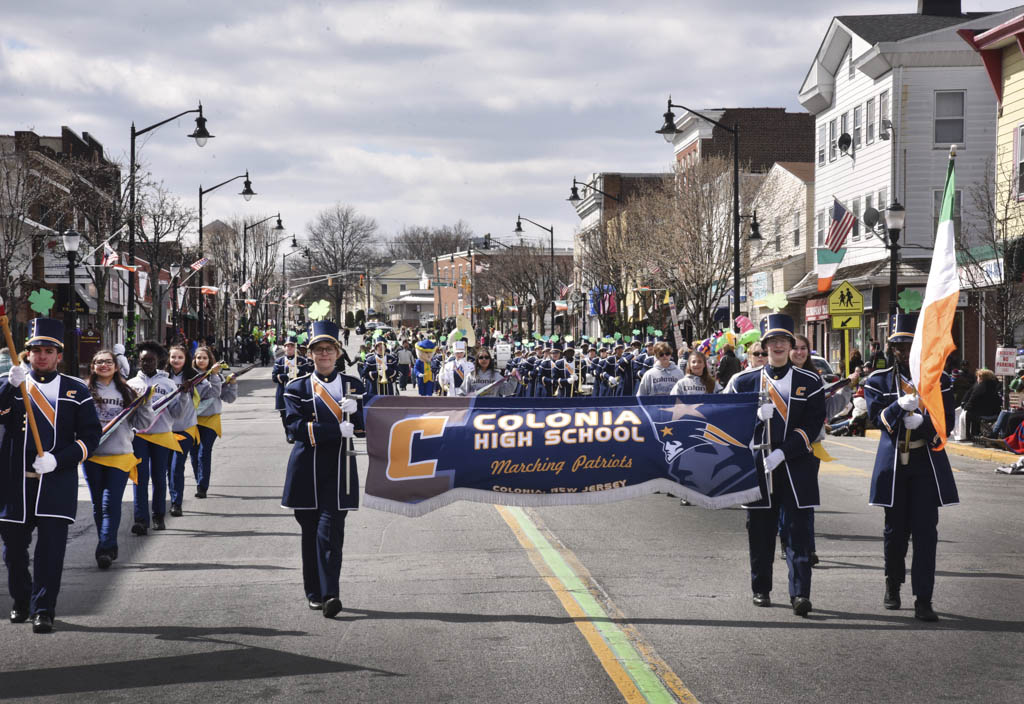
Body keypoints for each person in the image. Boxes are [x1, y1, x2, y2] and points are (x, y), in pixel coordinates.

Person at [0, 318, 101, 633]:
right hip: (14, 485)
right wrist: (8, 387)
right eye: (35, 350)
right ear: (27, 353)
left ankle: (43, 609)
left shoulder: (76, 389)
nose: (41, 356)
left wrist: (59, 460)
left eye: (48, 351)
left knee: (51, 553)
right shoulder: (11, 382)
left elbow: (90, 437)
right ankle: (21, 599)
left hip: (55, 483)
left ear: (59, 355)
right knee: (14, 553)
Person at [725, 313, 825, 617]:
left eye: (784, 340)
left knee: (797, 533)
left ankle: (800, 594)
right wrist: (752, 419)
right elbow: (726, 422)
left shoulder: (811, 381)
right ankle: (761, 588)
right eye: (772, 341)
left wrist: (785, 452)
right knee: (761, 532)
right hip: (759, 468)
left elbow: (812, 425)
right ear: (764, 345)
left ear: (791, 345)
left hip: (796, 468)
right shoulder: (744, 381)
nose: (778, 345)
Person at [863, 312, 958, 622]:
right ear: (893, 350)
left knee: (926, 533)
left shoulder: (939, 380)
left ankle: (924, 598)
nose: (905, 352)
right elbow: (877, 419)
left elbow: (948, 424)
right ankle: (893, 584)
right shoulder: (878, 380)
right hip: (894, 467)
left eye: (911, 346)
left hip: (924, 463)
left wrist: (925, 424)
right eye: (900, 347)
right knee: (895, 532)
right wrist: (897, 406)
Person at [282, 320, 364, 619]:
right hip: (306, 470)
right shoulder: (297, 387)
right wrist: (334, 429)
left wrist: (359, 416)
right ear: (310, 354)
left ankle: (331, 594)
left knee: (330, 533)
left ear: (338, 352)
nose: (324, 355)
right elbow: (293, 428)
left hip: (339, 470)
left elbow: (367, 428)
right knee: (310, 534)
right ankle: (314, 592)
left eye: (329, 349)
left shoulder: (355, 386)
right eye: (318, 350)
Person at [83, 349, 154, 569]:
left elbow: (142, 425)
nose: (103, 365)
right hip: (92, 456)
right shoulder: (83, 391)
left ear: (116, 366)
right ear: (93, 366)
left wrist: (146, 404)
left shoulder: (128, 391)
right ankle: (109, 544)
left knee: (110, 503)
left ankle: (104, 548)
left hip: (120, 455)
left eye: (108, 362)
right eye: (99, 362)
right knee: (97, 505)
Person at [130, 341, 186, 534]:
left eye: (151, 360)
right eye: (144, 360)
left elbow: (177, 413)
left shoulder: (168, 384)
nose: (147, 364)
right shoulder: (131, 385)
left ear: (158, 361)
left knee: (159, 478)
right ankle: (140, 519)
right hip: (139, 437)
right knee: (140, 478)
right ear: (138, 361)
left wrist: (184, 396)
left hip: (161, 435)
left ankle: (158, 516)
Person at [165, 345, 210, 517]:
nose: (176, 360)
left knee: (177, 466)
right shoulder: (163, 377)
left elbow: (209, 391)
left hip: (186, 427)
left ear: (186, 360)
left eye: (180, 357)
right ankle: (172, 498)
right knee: (168, 468)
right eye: (173, 357)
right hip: (165, 429)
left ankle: (177, 503)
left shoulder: (195, 377)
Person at [189, 346, 237, 499]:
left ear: (210, 360)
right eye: (198, 358)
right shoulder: (190, 377)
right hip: (192, 420)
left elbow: (227, 397)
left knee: (204, 452)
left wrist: (232, 384)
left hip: (211, 420)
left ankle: (202, 486)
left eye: (204, 358)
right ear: (194, 360)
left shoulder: (217, 376)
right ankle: (199, 480)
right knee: (194, 453)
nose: (201, 361)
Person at [272, 337, 312, 443]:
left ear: (295, 348)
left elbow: (310, 374)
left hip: (299, 392)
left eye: (291, 346)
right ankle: (289, 433)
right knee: (285, 414)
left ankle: (300, 432)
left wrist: (300, 372)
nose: (289, 348)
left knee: (301, 413)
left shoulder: (302, 361)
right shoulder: (279, 361)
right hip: (284, 392)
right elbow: (274, 377)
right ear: (284, 348)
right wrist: (286, 375)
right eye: (287, 346)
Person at [962, 367, 1002, 440]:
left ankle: (969, 435)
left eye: (977, 377)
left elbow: (972, 401)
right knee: (974, 411)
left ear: (981, 377)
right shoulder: (995, 385)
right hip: (994, 412)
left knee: (968, 413)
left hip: (983, 414)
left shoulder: (979, 387)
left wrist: (965, 407)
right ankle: (976, 432)